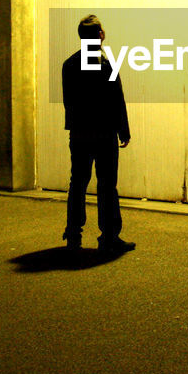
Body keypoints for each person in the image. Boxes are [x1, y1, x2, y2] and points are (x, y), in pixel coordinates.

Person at [61, 15, 134, 254]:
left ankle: (73, 235)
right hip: (104, 134)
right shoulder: (106, 63)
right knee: (106, 185)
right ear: (100, 34)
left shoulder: (69, 64)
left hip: (80, 133)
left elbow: (68, 102)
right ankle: (110, 236)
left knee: (78, 183)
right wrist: (123, 129)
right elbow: (116, 100)